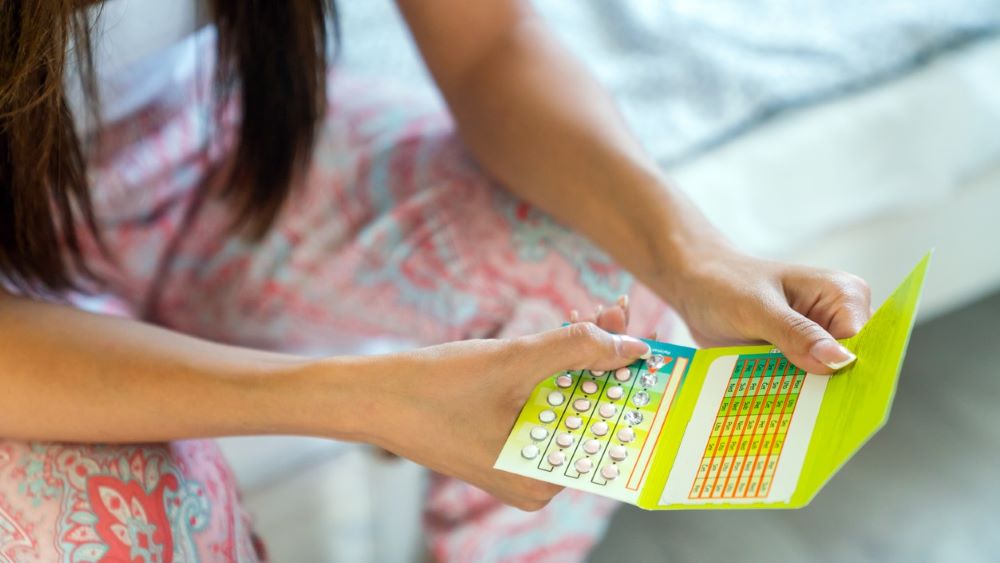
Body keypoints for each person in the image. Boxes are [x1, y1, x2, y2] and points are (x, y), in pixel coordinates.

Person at [0, 1, 871, 560]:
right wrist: (363, 397)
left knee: (594, 286)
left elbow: (489, 40)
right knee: (137, 514)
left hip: (213, 150)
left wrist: (696, 257)